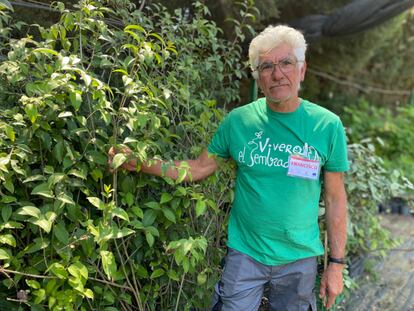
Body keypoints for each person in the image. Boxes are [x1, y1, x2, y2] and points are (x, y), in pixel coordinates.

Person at [108, 25, 348, 311]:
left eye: (286, 63)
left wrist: (336, 265)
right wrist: (139, 163)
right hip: (245, 255)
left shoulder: (327, 126)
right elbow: (198, 168)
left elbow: (335, 199)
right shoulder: (239, 122)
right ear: (258, 77)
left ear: (302, 69)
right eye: (266, 66)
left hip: (299, 259)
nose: (277, 74)